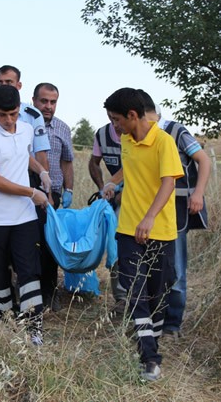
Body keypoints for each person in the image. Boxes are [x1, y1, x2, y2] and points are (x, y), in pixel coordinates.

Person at [101, 88, 183, 381]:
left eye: (116, 120)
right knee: (135, 291)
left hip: (159, 230)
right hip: (127, 230)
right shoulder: (125, 139)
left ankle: (152, 341)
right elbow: (128, 166)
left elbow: (168, 184)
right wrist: (112, 183)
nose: (115, 126)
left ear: (132, 116)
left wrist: (149, 218)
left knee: (157, 293)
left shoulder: (164, 142)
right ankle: (149, 357)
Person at [0, 84, 49, 345]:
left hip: (23, 218)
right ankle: (5, 322)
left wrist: (42, 171)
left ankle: (33, 327)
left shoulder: (26, 129)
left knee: (29, 271)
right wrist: (31, 192)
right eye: (3, 115)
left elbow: (24, 154)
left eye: (14, 114)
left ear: (20, 110)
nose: (8, 120)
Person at [136, 90, 211, 339]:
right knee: (147, 269)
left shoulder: (174, 131)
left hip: (176, 209)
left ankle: (172, 323)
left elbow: (203, 160)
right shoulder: (136, 136)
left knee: (175, 269)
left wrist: (197, 193)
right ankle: (148, 320)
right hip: (146, 209)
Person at [31, 82, 74, 311]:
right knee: (28, 244)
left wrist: (69, 190)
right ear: (34, 100)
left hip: (52, 196)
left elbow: (67, 161)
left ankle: (49, 293)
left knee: (49, 245)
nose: (48, 106)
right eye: (44, 101)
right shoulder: (22, 124)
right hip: (24, 193)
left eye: (53, 102)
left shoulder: (63, 128)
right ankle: (29, 291)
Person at [88, 119, 127, 312]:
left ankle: (143, 297)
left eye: (118, 118)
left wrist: (124, 192)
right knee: (116, 244)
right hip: (114, 197)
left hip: (138, 197)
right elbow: (94, 162)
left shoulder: (135, 133)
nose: (117, 124)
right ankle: (121, 298)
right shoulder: (102, 134)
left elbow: (133, 166)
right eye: (112, 118)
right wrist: (103, 187)